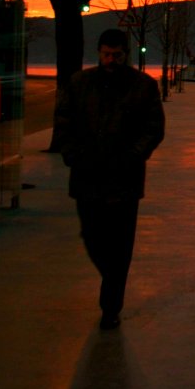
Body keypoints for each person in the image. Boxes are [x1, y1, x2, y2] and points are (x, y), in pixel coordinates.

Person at [52, 27, 165, 329]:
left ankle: (110, 307)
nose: (110, 60)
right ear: (99, 53)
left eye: (116, 55)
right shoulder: (80, 83)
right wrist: (72, 154)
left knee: (121, 244)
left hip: (124, 178)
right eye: (106, 54)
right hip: (87, 175)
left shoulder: (142, 86)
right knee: (92, 236)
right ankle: (111, 279)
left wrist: (132, 156)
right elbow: (63, 121)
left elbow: (154, 128)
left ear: (126, 54)